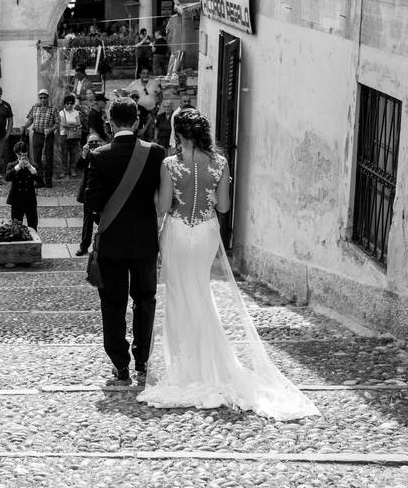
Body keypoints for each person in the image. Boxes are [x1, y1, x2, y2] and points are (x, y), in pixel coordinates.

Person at [137, 110, 319, 420]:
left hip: (179, 231)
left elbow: (164, 207)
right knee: (201, 292)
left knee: (180, 295)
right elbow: (222, 206)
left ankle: (186, 365)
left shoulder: (170, 165)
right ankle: (211, 362)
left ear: (179, 134)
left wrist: (159, 194)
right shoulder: (220, 164)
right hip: (206, 231)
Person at [85, 98, 166, 385]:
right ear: (136, 122)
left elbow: (92, 202)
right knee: (145, 300)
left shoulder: (99, 155)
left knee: (113, 303)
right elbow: (163, 197)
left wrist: (107, 221)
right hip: (144, 241)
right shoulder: (156, 153)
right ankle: (142, 360)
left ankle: (120, 364)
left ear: (110, 122)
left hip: (113, 244)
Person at [22, 89, 59, 188]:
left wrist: (50, 130)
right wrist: (25, 126)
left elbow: (57, 123)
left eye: (45, 97)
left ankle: (48, 180)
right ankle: (38, 180)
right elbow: (30, 120)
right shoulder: (35, 107)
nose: (43, 99)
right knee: (37, 158)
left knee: (48, 157)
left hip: (48, 135)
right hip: (37, 135)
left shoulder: (53, 108)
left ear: (48, 98)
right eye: (41, 97)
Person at [74, 133, 104, 256]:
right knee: (87, 221)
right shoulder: (86, 154)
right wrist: (84, 153)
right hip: (88, 191)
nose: (94, 144)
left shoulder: (103, 153)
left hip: (100, 191)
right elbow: (78, 166)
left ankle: (102, 244)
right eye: (91, 142)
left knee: (101, 220)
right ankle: (84, 246)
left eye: (96, 141)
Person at [5, 141, 44, 230]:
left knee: (33, 226)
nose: (22, 157)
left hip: (30, 199)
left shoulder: (33, 166)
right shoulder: (11, 165)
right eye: (19, 155)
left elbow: (41, 182)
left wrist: (31, 168)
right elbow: (7, 178)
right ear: (16, 154)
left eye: (24, 154)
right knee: (16, 228)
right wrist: (18, 167)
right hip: (16, 200)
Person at [124, 68, 162, 141]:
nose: (145, 75)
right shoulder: (134, 84)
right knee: (137, 132)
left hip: (151, 111)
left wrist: (159, 105)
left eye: (147, 73)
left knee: (150, 132)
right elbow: (125, 93)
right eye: (143, 73)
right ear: (140, 74)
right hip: (137, 111)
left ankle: (149, 146)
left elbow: (160, 93)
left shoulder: (154, 83)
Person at [57, 94, 83, 179]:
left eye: (71, 103)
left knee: (73, 153)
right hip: (64, 135)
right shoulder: (61, 112)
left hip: (74, 136)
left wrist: (70, 125)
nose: (69, 105)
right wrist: (73, 125)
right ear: (64, 104)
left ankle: (72, 169)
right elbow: (63, 124)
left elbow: (79, 123)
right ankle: (64, 170)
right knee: (64, 153)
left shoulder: (76, 112)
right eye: (67, 103)